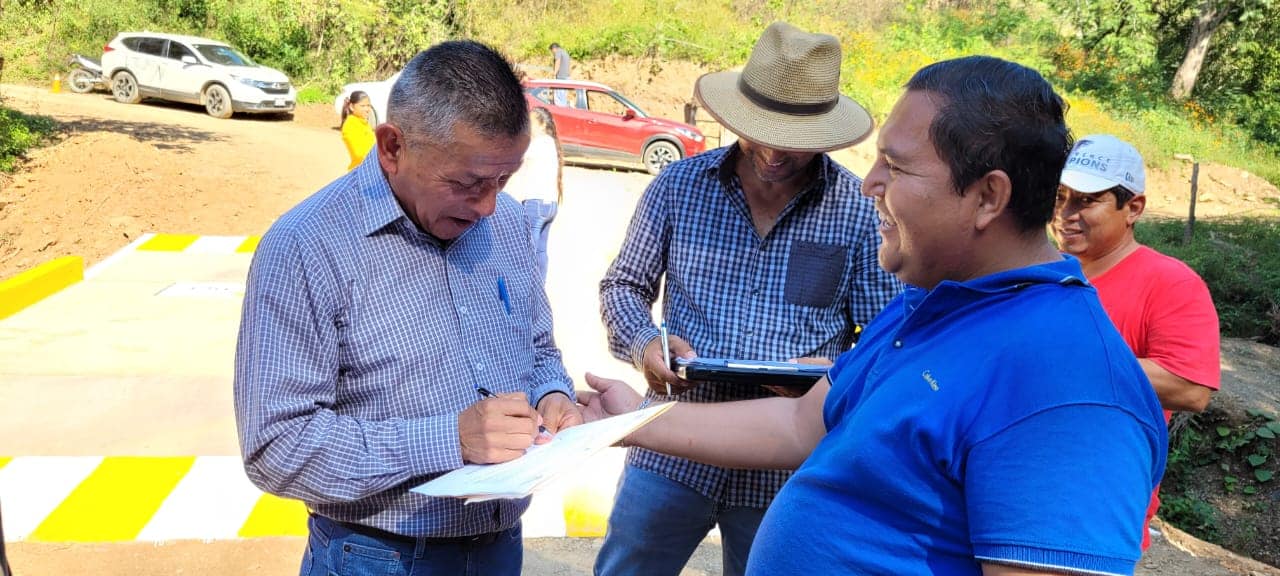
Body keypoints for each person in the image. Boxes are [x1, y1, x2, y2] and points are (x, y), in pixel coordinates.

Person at [581, 55, 1168, 575]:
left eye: (897, 166)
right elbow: (797, 427)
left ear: (988, 197)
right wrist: (628, 419)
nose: (869, 184)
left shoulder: (1073, 391)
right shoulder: (926, 306)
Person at [234, 40, 582, 576]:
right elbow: (276, 446)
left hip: (499, 547)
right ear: (392, 147)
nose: (487, 206)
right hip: (376, 556)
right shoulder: (307, 247)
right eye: (466, 184)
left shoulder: (508, 225)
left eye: (502, 181)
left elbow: (536, 347)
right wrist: (448, 439)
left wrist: (553, 393)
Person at [595, 22, 903, 576]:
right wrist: (645, 344)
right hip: (671, 441)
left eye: (796, 141)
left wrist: (833, 372)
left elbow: (888, 337)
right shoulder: (678, 187)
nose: (775, 151)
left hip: (787, 462)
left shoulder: (857, 213)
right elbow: (622, 287)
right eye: (761, 131)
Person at [1053, 134, 1221, 551]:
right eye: (1059, 197)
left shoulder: (1169, 282)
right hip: (1017, 485)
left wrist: (1061, 358)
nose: (1065, 214)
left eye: (1086, 201)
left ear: (1133, 208)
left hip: (1095, 507)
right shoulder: (1042, 273)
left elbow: (1191, 387)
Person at [503, 106, 564, 281]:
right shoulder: (552, 144)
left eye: (531, 123)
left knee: (526, 251)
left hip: (535, 204)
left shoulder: (537, 143)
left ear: (543, 125)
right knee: (541, 250)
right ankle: (539, 287)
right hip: (550, 204)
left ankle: (525, 288)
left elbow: (515, 158)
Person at [340, 90, 376, 171]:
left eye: (368, 106)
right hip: (361, 171)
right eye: (362, 106)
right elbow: (359, 154)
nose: (367, 109)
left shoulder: (363, 123)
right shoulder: (350, 125)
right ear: (352, 107)